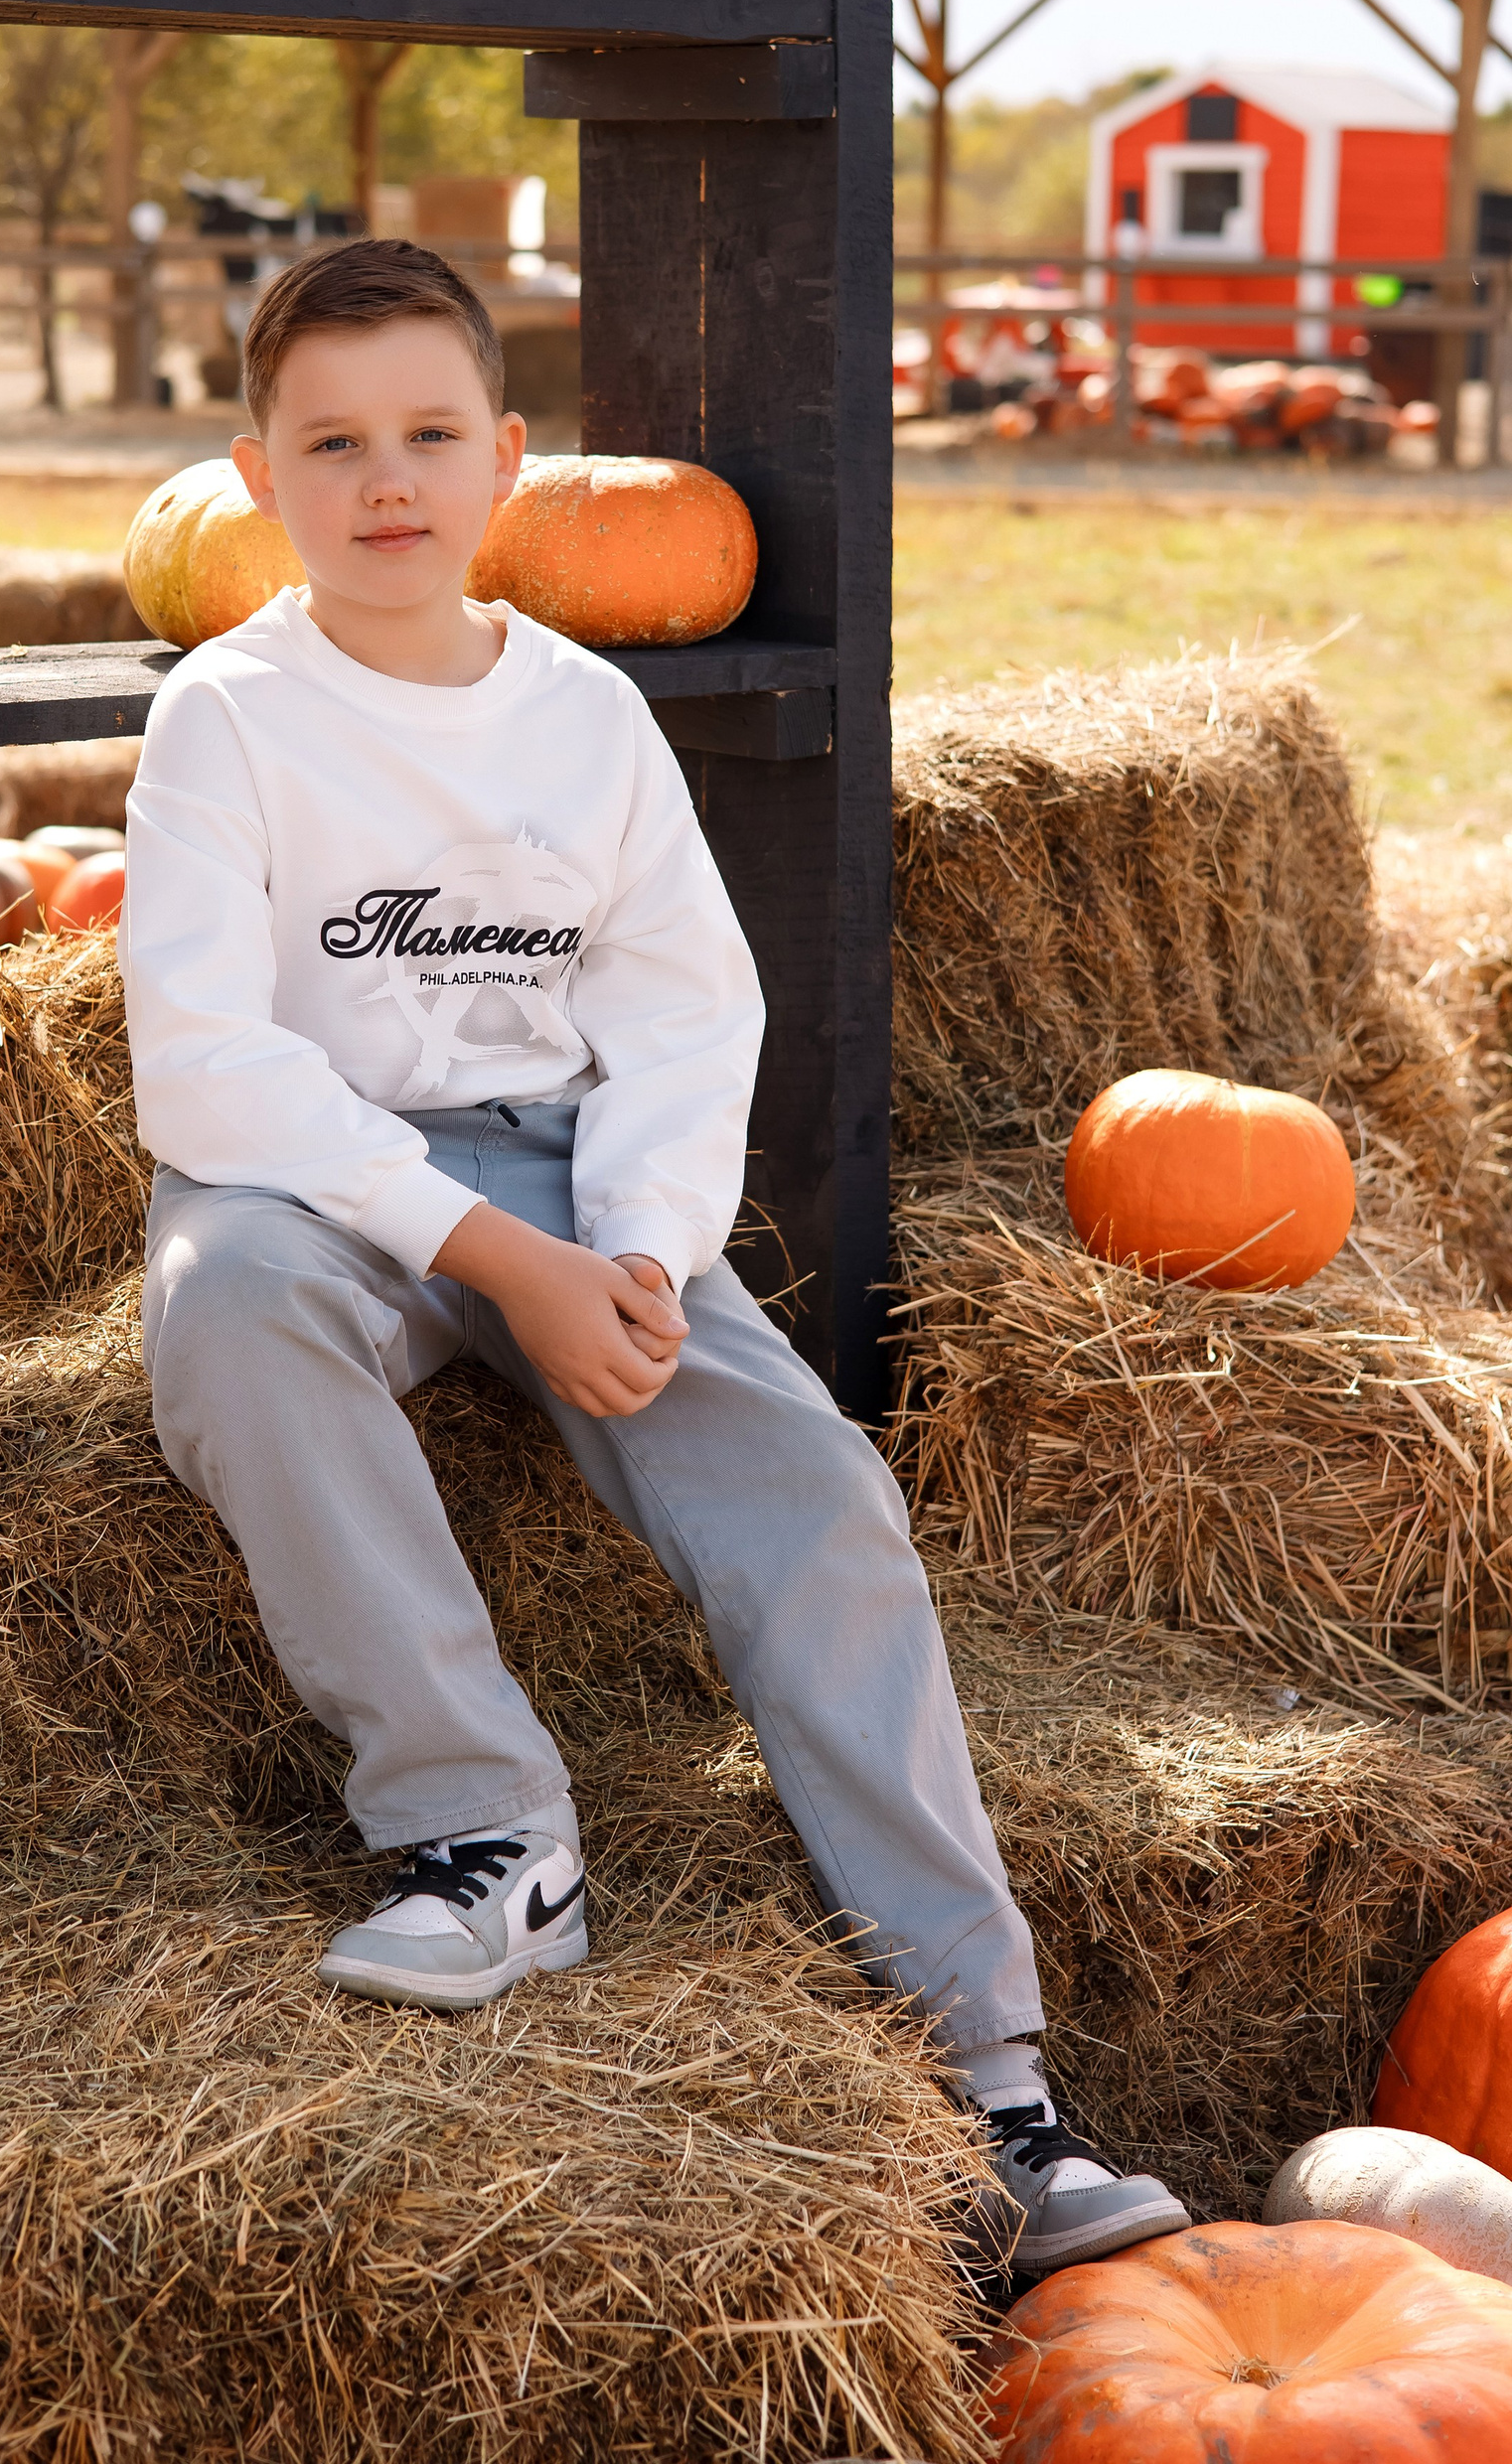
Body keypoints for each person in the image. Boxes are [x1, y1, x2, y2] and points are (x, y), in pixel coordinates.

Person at [119, 238, 1189, 2276]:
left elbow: (685, 1017)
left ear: (506, 460)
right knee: (230, 1311)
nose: (386, 479)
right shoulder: (229, 717)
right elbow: (206, 1065)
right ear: (256, 479)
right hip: (311, 1183)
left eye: (429, 433)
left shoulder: (587, 715)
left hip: (571, 1173)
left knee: (818, 1491)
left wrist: (632, 1254)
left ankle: (993, 2081)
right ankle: (487, 1838)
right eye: (331, 445)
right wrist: (490, 1262)